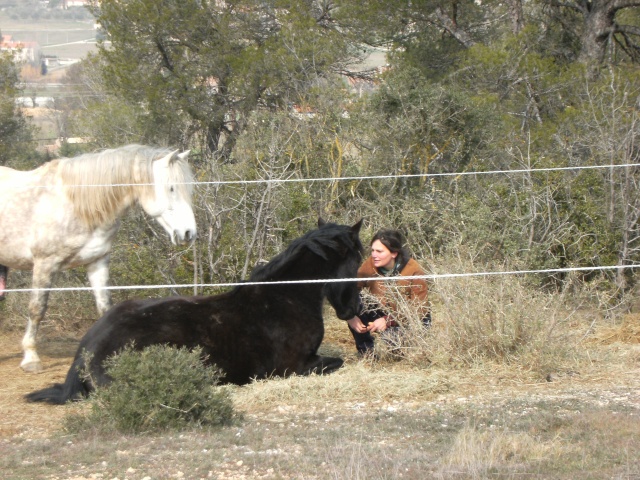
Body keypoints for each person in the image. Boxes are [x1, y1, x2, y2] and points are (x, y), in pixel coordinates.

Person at [347, 229, 430, 355]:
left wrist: (388, 320)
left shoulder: (413, 270)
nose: (374, 255)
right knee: (357, 301)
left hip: (411, 320)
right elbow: (350, 290)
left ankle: (403, 347)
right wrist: (350, 316)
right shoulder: (370, 264)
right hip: (382, 310)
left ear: (394, 253)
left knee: (391, 341)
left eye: (379, 251)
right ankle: (367, 351)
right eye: (373, 250)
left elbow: (419, 309)